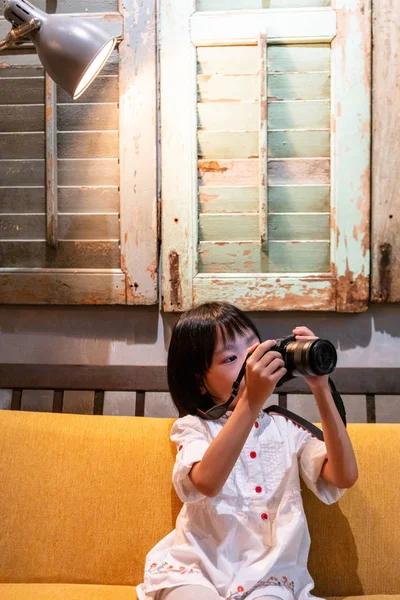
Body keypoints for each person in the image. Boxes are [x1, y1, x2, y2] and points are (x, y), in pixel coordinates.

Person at [136, 302, 358, 600]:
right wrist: (250, 401)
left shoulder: (285, 428)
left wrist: (320, 385)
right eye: (230, 357)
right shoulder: (194, 427)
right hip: (197, 569)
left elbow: (343, 476)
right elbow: (206, 482)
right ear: (199, 381)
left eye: (254, 350)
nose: (249, 363)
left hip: (269, 579)